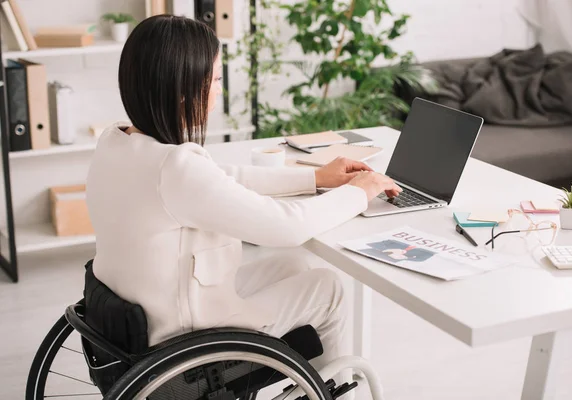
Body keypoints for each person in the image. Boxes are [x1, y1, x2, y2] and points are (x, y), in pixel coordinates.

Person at [86, 15, 401, 377]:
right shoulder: (175, 166)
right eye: (217, 78)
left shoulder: (118, 142)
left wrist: (316, 177)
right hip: (186, 337)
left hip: (145, 312)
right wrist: (359, 194)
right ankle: (335, 386)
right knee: (327, 287)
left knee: (293, 268)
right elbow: (287, 228)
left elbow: (221, 180)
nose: (219, 90)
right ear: (184, 88)